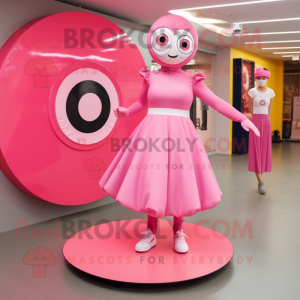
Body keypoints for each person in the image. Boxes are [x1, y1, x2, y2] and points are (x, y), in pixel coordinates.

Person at [99, 15, 260, 254]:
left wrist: (242, 118)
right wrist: (125, 112)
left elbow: (215, 102)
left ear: (190, 46)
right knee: (153, 182)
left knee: (180, 182)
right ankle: (151, 232)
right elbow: (140, 104)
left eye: (182, 44)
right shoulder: (150, 76)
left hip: (181, 137)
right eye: (164, 40)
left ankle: (178, 231)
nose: (173, 49)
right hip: (151, 135)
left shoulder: (191, 80)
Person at [248, 67, 275, 194]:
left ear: (267, 78)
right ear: (256, 79)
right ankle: (260, 181)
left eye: (264, 78)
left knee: (264, 149)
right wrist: (255, 120)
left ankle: (260, 177)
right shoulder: (252, 92)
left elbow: (269, 110)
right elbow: (251, 108)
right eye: (259, 78)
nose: (261, 80)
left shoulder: (271, 92)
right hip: (255, 121)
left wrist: (266, 120)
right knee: (255, 149)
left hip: (266, 122)